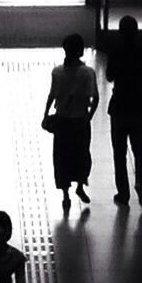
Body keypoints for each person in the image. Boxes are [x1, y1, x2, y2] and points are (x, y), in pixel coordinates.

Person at [41, 33, 100, 210]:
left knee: (61, 157)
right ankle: (80, 186)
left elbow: (52, 95)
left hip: (61, 121)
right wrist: (88, 117)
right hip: (80, 120)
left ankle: (65, 194)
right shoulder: (87, 73)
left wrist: (45, 115)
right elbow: (95, 98)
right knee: (82, 155)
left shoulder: (57, 72)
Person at [106, 15, 142, 207]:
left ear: (120, 32)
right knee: (140, 150)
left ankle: (123, 193)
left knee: (119, 153)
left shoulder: (116, 53)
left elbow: (109, 76)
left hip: (119, 106)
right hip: (139, 108)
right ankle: (141, 184)